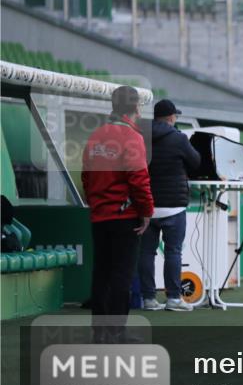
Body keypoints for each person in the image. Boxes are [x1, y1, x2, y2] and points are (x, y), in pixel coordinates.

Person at [81, 86, 154, 341]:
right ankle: (115, 332)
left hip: (100, 216)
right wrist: (146, 212)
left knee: (101, 273)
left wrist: (96, 203)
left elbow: (86, 176)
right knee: (122, 275)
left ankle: (99, 333)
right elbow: (139, 180)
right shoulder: (133, 138)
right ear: (136, 108)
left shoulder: (95, 136)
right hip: (124, 217)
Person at [140, 99, 201, 312]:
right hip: (173, 206)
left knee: (146, 253)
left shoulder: (140, 136)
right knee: (173, 252)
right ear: (172, 117)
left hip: (147, 205)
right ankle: (174, 298)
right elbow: (196, 162)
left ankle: (148, 299)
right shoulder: (179, 138)